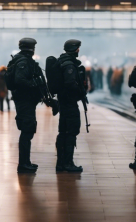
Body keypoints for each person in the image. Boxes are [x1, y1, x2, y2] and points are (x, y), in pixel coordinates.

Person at [10, 38, 43, 173]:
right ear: (31, 49)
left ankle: (26, 162)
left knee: (28, 130)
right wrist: (34, 84)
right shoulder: (23, 62)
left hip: (26, 101)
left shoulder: (22, 60)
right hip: (24, 101)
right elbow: (20, 80)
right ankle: (23, 164)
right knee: (27, 131)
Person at [56, 39, 87, 173]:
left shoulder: (62, 61)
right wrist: (80, 92)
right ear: (75, 49)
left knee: (63, 132)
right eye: (78, 48)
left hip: (64, 103)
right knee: (71, 132)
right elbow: (70, 84)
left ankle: (61, 163)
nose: (79, 50)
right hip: (69, 103)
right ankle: (68, 163)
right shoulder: (69, 65)